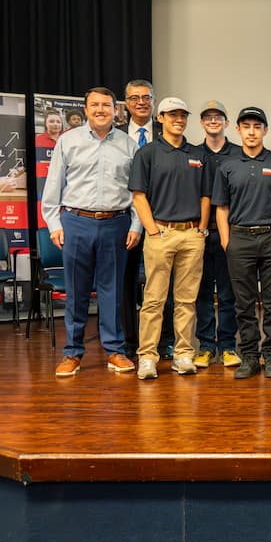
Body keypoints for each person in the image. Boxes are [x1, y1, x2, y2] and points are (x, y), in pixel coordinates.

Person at [45, 87, 141, 376]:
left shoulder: (128, 145)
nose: (101, 109)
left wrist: (136, 225)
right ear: (85, 110)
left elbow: (136, 191)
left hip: (116, 223)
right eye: (95, 105)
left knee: (113, 291)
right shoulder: (68, 141)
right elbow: (53, 186)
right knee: (77, 291)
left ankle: (114, 350)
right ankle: (72, 353)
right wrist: (54, 224)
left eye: (107, 105)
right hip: (76, 222)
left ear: (116, 110)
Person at [129, 97, 212, 379]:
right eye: (172, 114)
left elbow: (205, 195)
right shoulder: (148, 153)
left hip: (191, 235)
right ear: (160, 118)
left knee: (186, 301)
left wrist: (201, 229)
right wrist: (152, 230)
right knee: (154, 301)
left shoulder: (198, 154)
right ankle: (148, 357)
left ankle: (183, 354)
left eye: (182, 115)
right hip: (160, 234)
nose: (178, 119)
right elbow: (138, 196)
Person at [213, 107, 271, 379]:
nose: (251, 131)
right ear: (237, 129)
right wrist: (226, 241)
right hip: (240, 239)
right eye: (246, 126)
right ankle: (249, 355)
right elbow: (221, 207)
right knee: (243, 303)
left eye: (257, 126)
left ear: (265, 131)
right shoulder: (228, 165)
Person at [120, 79, 172, 360]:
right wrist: (135, 223)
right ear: (126, 103)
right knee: (126, 284)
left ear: (154, 101)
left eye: (146, 97)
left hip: (162, 223)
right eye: (134, 97)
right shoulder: (115, 137)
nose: (141, 102)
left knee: (163, 286)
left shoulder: (167, 136)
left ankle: (164, 343)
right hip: (127, 224)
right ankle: (129, 344)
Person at [194, 100, 240, 369]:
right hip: (199, 233)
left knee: (227, 293)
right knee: (201, 294)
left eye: (218, 117)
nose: (213, 121)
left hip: (229, 233)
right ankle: (205, 346)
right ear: (201, 122)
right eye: (208, 117)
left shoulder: (237, 154)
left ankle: (227, 346)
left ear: (227, 122)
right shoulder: (192, 154)